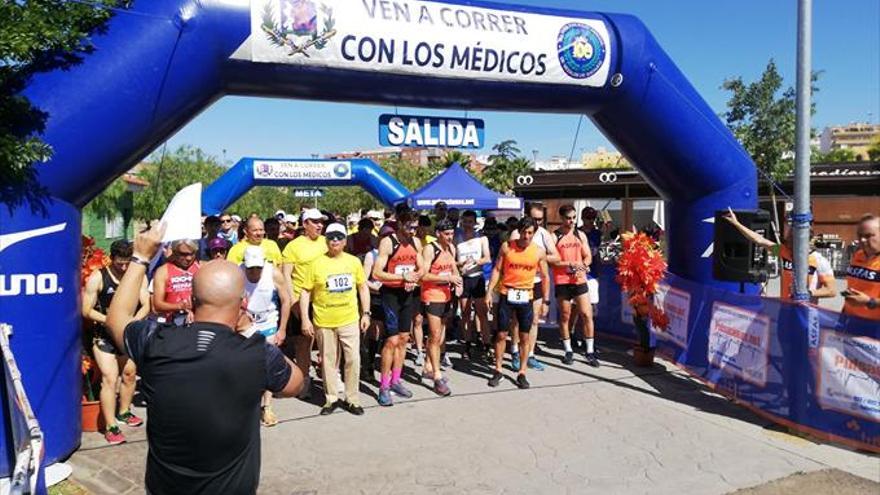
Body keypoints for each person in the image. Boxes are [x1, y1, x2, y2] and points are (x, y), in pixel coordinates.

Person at [105, 223, 304, 495]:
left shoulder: (157, 341)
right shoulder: (254, 353)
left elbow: (116, 319)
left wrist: (140, 258)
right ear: (243, 302)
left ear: (191, 298)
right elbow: (296, 384)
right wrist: (249, 330)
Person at [82, 240, 149, 444]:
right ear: (111, 259)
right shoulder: (98, 277)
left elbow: (147, 304)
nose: (123, 267)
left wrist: (131, 323)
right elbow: (86, 309)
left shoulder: (137, 276)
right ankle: (111, 426)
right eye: (119, 263)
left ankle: (124, 412)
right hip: (103, 336)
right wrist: (110, 321)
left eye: (127, 263)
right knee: (110, 378)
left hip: (127, 334)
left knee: (129, 375)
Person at [300, 223, 371, 416]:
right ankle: (330, 398)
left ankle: (352, 399)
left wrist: (366, 313)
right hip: (323, 321)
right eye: (331, 237)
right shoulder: (316, 263)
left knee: (353, 359)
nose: (335, 241)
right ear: (326, 240)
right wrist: (305, 319)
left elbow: (362, 287)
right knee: (328, 361)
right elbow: (306, 291)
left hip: (349, 319)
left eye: (339, 237)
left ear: (345, 240)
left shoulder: (353, 262)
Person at [485, 217, 550, 389]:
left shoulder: (539, 251)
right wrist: (489, 292)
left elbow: (545, 277)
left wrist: (546, 301)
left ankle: (522, 372)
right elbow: (497, 269)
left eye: (530, 233)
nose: (526, 236)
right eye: (524, 232)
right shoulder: (507, 246)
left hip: (526, 296)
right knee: (501, 334)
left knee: (524, 336)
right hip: (507, 293)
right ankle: (498, 369)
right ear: (519, 231)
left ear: (534, 233)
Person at [723, 209, 836, 303]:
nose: (788, 241)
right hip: (785, 310)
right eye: (789, 237)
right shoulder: (784, 251)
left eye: (792, 238)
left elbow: (831, 291)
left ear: (803, 240)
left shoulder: (819, 260)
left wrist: (808, 293)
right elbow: (759, 240)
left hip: (806, 312)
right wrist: (736, 223)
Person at [372, 206, 424, 406]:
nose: (412, 231)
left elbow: (421, 267)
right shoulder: (388, 242)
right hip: (391, 294)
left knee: (403, 338)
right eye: (410, 227)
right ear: (400, 224)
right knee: (391, 341)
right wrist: (402, 277)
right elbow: (377, 273)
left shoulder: (416, 242)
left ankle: (396, 380)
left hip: (407, 294)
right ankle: (383, 386)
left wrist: (415, 278)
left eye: (415, 228)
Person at [240, 246, 292, 427]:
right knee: (246, 368)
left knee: (268, 366)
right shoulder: (237, 274)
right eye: (250, 268)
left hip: (268, 324)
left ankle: (267, 406)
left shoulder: (273, 273)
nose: (254, 272)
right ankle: (248, 406)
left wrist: (282, 329)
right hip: (245, 326)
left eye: (257, 268)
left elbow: (286, 300)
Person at [281, 208, 328, 397]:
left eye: (321, 222)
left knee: (329, 341)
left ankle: (330, 378)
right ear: (305, 224)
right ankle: (304, 381)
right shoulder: (293, 246)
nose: (319, 225)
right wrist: (293, 302)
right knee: (304, 343)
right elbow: (286, 275)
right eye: (315, 222)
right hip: (302, 300)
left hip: (326, 299)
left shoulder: (327, 243)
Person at [509, 202, 560, 370]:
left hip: (536, 282)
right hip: (520, 283)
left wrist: (539, 257)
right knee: (517, 320)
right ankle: (515, 351)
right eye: (534, 219)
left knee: (534, 321)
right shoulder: (517, 233)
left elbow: (556, 257)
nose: (537, 223)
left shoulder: (544, 234)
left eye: (540, 219)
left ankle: (530, 354)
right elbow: (511, 256)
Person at [420, 219, 462, 396]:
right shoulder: (430, 249)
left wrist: (458, 282)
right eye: (446, 234)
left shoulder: (451, 248)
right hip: (432, 296)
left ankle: (428, 366)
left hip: (447, 296)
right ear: (438, 234)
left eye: (452, 234)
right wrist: (447, 279)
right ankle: (437, 376)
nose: (450, 237)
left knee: (441, 333)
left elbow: (454, 270)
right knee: (435, 335)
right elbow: (423, 275)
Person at [553, 205, 599, 367]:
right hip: (563, 281)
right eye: (568, 218)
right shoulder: (555, 236)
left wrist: (584, 265)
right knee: (565, 317)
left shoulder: (580, 235)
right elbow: (552, 260)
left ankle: (590, 351)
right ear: (561, 218)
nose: (571, 221)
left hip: (579, 280)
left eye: (573, 217)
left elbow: (588, 257)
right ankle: (568, 350)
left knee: (587, 314)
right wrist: (569, 264)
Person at [455, 210, 492, 359]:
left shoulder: (482, 238)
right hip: (464, 278)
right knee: (464, 313)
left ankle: (486, 345)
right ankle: (467, 344)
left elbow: (488, 258)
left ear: (475, 222)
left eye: (470, 222)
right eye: (465, 222)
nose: (468, 225)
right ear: (462, 222)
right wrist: (460, 264)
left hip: (477, 278)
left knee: (482, 313)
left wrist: (476, 261)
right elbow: (452, 261)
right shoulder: (457, 239)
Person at [151, 239, 200, 326]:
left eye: (192, 254)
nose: (188, 258)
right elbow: (157, 305)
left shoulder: (201, 267)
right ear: (175, 252)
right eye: (183, 254)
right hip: (173, 322)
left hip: (198, 320)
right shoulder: (163, 271)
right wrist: (180, 306)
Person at [842, 214, 880, 320]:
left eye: (868, 236)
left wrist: (869, 302)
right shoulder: (858, 255)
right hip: (849, 320)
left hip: (874, 326)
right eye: (860, 235)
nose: (862, 240)